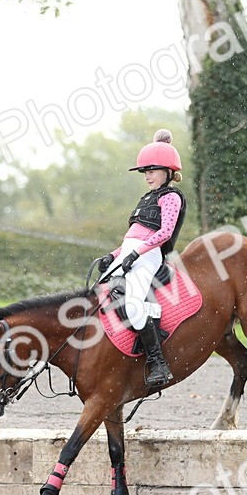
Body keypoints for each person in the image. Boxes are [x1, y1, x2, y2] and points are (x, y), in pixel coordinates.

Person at [96, 128, 188, 390]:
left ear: (168, 172)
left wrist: (136, 253)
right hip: (130, 252)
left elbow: (164, 233)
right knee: (98, 293)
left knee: (134, 302)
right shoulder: (146, 199)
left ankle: (158, 362)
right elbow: (133, 236)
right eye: (145, 171)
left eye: (152, 169)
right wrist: (113, 255)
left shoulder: (171, 196)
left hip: (149, 257)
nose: (147, 175)